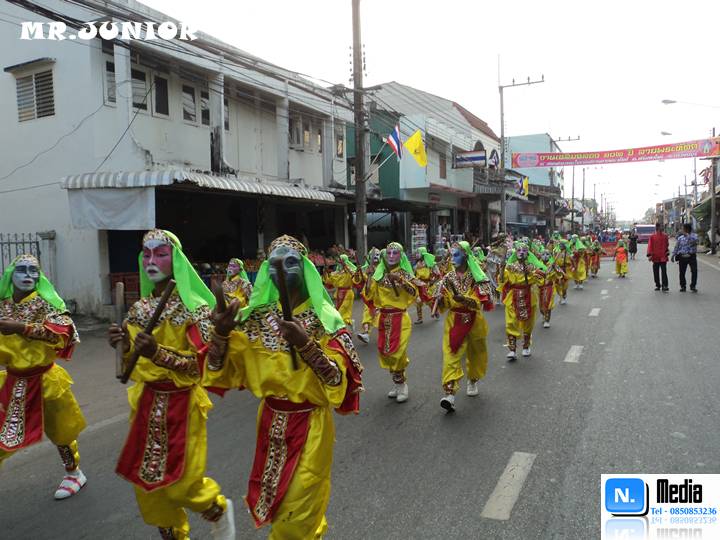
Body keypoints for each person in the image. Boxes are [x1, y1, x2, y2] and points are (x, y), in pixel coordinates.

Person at [204, 234, 362, 539]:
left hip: (310, 424)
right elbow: (217, 370)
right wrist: (221, 334)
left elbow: (338, 382)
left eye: (290, 262)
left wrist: (306, 345)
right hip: (270, 422)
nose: (281, 269)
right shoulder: (257, 319)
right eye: (274, 263)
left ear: (304, 268)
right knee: (281, 508)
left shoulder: (325, 318)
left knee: (297, 512)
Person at [108, 230, 235, 540]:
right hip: (146, 404)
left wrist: (158, 353)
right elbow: (132, 367)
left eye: (160, 253)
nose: (152, 260)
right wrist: (123, 345)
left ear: (175, 259)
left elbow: (201, 367)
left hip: (182, 404)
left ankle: (218, 510)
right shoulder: (138, 310)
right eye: (147, 254)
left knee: (183, 486)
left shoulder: (194, 309)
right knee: (149, 489)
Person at [0, 254, 86, 500]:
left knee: (62, 432)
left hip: (46, 380)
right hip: (14, 381)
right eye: (22, 270)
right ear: (11, 275)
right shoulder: (3, 305)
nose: (28, 275)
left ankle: (74, 473)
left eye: (33, 270)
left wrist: (22, 328)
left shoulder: (47, 303)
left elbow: (62, 334)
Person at [435, 241, 494, 412]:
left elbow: (480, 302)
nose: (453, 258)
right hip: (454, 320)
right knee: (450, 355)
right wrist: (440, 299)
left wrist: (464, 299)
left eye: (456, 255)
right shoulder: (447, 278)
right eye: (452, 255)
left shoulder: (477, 276)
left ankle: (473, 380)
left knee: (476, 354)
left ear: (465, 256)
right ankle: (449, 394)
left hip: (474, 321)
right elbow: (444, 303)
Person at [365, 242, 417, 403]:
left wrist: (400, 280)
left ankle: (402, 385)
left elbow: (414, 292)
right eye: (389, 253)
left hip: (400, 318)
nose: (392, 256)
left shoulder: (405, 273)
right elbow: (368, 295)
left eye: (395, 253)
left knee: (397, 353)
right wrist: (369, 277)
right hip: (384, 318)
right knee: (386, 353)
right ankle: (397, 382)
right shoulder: (379, 275)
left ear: (401, 256)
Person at [498, 242, 547, 360]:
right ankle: (512, 349)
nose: (521, 253)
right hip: (513, 297)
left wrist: (531, 271)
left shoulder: (532, 266)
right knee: (511, 322)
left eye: (524, 251)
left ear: (528, 253)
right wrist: (502, 268)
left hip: (528, 296)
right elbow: (502, 280)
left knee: (528, 323)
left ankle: (526, 346)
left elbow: (542, 279)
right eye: (519, 251)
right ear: (515, 253)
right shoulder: (510, 267)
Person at [323, 253, 359, 332]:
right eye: (340, 261)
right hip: (339, 294)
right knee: (341, 312)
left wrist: (346, 266)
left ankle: (342, 331)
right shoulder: (337, 272)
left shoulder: (350, 271)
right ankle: (349, 324)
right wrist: (325, 272)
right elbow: (329, 281)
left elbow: (355, 278)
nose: (340, 262)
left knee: (341, 312)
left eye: (342, 261)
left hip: (348, 294)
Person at [357, 247, 380, 343]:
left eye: (377, 255)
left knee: (379, 316)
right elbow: (362, 280)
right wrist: (361, 273)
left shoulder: (383, 268)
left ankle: (386, 334)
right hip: (369, 296)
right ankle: (366, 333)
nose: (375, 257)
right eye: (374, 255)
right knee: (367, 314)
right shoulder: (367, 269)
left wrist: (375, 272)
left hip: (380, 297)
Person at [413, 246, 440, 324]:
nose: (416, 254)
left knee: (429, 301)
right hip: (418, 285)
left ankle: (435, 311)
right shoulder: (416, 264)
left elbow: (438, 274)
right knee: (418, 302)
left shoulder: (431, 264)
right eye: (416, 253)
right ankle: (420, 318)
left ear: (423, 253)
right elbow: (413, 275)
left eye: (418, 252)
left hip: (428, 285)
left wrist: (433, 281)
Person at [538, 250, 563, 328]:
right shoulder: (537, 264)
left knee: (548, 304)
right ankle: (544, 314)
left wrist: (555, 268)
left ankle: (547, 320)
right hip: (539, 288)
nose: (545, 256)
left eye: (547, 254)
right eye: (543, 254)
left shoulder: (553, 265)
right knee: (541, 307)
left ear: (550, 256)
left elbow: (560, 273)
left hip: (549, 287)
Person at [672, 223, 698, 292]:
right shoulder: (680, 238)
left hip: (691, 256)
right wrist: (673, 255)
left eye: (683, 228)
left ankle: (693, 286)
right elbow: (676, 247)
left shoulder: (694, 236)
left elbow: (695, 241)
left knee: (694, 271)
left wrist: (687, 235)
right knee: (682, 272)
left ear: (687, 229)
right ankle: (683, 286)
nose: (682, 230)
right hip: (682, 256)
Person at [647, 223, 670, 292]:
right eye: (661, 226)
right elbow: (650, 246)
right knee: (656, 272)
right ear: (657, 227)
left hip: (663, 256)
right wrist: (649, 255)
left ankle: (665, 285)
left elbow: (667, 245)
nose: (662, 227)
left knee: (664, 272)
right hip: (655, 256)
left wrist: (667, 251)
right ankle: (657, 285)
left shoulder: (665, 236)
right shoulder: (652, 236)